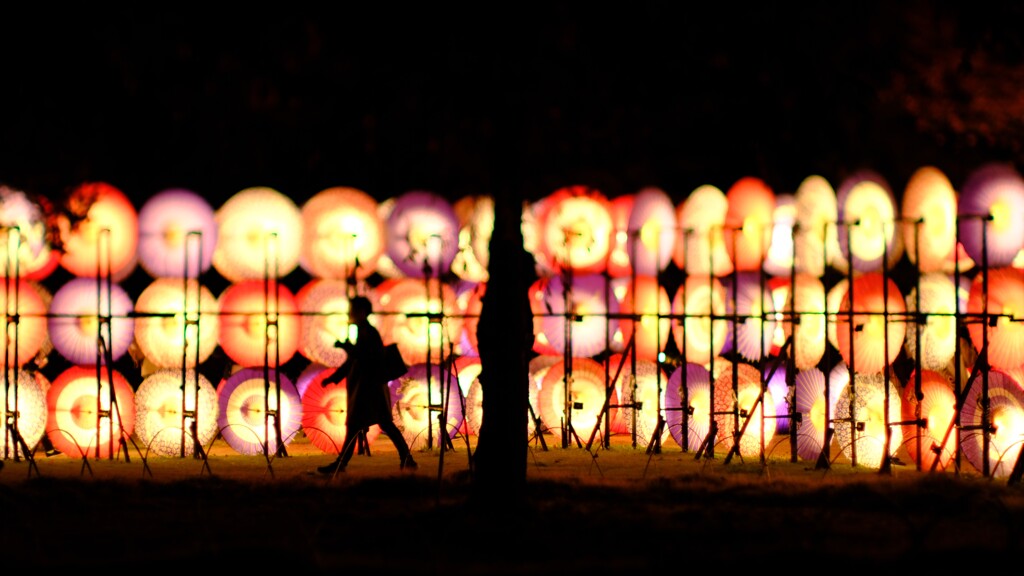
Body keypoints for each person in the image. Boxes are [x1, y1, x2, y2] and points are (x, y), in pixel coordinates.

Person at [317, 295, 417, 474]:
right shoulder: (364, 332)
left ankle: (406, 458)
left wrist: (346, 347)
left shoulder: (369, 333)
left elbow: (366, 358)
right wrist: (335, 377)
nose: (350, 314)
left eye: (353, 310)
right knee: (362, 425)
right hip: (366, 387)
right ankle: (406, 459)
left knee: (373, 424)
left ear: (362, 312)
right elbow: (354, 360)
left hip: (369, 389)